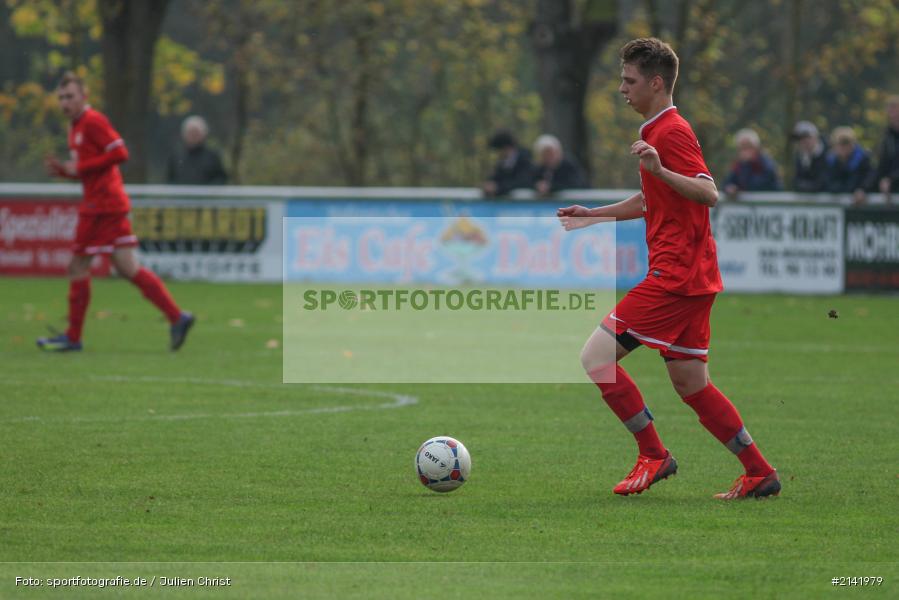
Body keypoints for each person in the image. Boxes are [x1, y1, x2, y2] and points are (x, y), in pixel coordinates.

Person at [557, 38, 780, 500]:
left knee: (595, 359)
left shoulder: (670, 131)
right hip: (693, 278)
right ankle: (758, 472)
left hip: (676, 277)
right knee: (690, 382)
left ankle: (653, 455)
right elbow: (649, 200)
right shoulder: (656, 132)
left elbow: (707, 192)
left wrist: (659, 170)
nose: (622, 88)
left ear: (656, 83)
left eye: (629, 80)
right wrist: (593, 215)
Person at [40, 72, 195, 352]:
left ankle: (73, 337)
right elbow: (90, 169)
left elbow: (121, 153)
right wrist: (66, 172)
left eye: (70, 96)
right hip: (107, 202)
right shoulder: (74, 127)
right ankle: (178, 317)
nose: (65, 102)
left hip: (102, 206)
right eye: (61, 98)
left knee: (77, 266)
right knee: (127, 267)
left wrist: (80, 169)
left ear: (84, 96)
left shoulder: (93, 121)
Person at [166, 115, 228, 185]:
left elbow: (220, 179)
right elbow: (170, 180)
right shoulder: (176, 157)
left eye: (196, 133)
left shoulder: (212, 156)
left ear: (203, 134)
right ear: (184, 135)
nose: (193, 136)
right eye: (190, 133)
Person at [723, 128, 782, 195]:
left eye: (748, 146)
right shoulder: (739, 165)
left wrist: (739, 188)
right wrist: (730, 188)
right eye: (742, 147)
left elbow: (761, 184)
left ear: (756, 147)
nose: (745, 151)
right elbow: (727, 183)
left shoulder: (765, 162)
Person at [824, 126, 874, 205]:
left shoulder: (863, 159)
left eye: (846, 143)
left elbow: (870, 178)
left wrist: (862, 189)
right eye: (840, 144)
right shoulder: (830, 161)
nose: (843, 147)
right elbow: (828, 183)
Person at [481, 129, 535, 197]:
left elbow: (523, 182)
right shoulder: (502, 163)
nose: (498, 154)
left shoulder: (525, 160)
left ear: (506, 148)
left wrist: (498, 188)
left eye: (499, 150)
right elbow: (495, 177)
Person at [873, 95, 899, 200]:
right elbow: (882, 165)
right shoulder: (887, 137)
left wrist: (891, 179)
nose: (893, 117)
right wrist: (863, 188)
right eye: (891, 113)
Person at [791, 121, 828, 193]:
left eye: (806, 137)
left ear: (815, 137)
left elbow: (823, 183)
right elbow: (796, 181)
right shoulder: (800, 157)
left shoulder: (829, 154)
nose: (802, 142)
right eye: (799, 139)